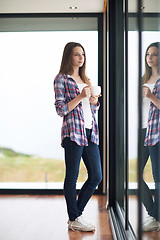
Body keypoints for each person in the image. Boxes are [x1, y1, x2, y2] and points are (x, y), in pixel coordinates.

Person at [54, 42, 102, 232]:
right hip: (73, 132)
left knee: (96, 176)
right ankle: (75, 218)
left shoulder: (86, 79)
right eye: (76, 54)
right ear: (69, 57)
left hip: (90, 132)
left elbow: (91, 109)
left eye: (82, 54)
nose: (81, 57)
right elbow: (61, 109)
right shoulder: (61, 79)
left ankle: (75, 216)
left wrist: (94, 101)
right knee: (72, 176)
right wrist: (81, 96)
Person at [141, 42, 160, 232]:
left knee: (157, 177)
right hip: (142, 130)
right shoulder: (143, 78)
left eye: (154, 54)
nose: (150, 57)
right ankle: (153, 213)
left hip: (157, 130)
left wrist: (153, 96)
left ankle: (155, 217)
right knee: (135, 175)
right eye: (148, 54)